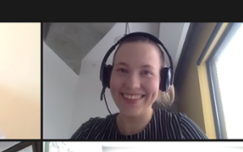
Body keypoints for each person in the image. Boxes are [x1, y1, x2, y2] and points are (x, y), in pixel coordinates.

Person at [71, 32, 209, 140]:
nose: (132, 84)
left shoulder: (182, 129)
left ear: (163, 81)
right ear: (108, 76)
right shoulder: (88, 132)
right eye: (122, 70)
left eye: (146, 72)